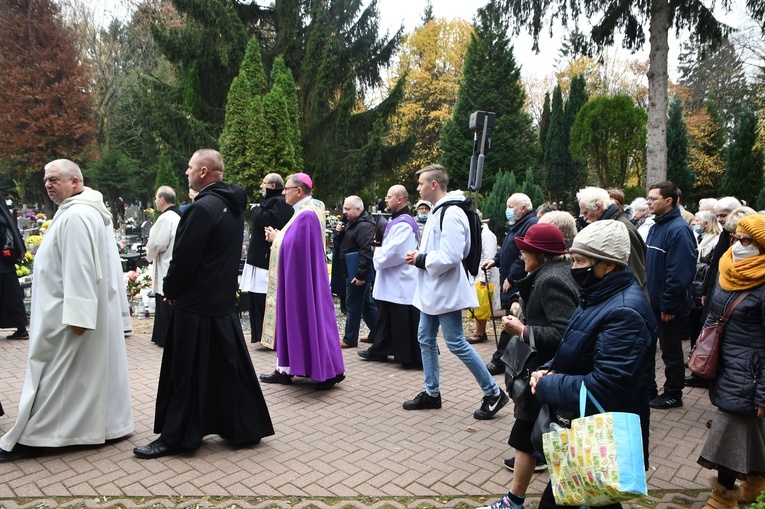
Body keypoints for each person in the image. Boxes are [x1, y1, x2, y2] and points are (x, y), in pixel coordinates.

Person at [481, 220, 657, 509]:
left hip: (600, 435)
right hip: (585, 432)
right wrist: (550, 367)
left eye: (580, 260)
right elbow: (573, 345)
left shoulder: (624, 311)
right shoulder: (598, 297)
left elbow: (607, 386)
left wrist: (548, 383)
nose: (573, 267)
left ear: (608, 265)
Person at [134, 149, 274, 459]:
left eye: (189, 167)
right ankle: (244, 427)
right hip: (221, 303)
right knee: (227, 368)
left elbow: (185, 259)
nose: (186, 172)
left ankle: (177, 437)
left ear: (203, 172)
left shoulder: (203, 209)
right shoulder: (232, 206)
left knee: (185, 372)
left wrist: (171, 289)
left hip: (195, 305)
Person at [0, 159, 133, 460]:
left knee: (59, 376)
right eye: (46, 179)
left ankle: (43, 436)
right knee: (85, 375)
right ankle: (100, 426)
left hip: (69, 315)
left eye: (55, 179)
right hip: (71, 310)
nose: (48, 184)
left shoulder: (77, 216)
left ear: (74, 182)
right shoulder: (85, 211)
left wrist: (79, 316)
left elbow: (80, 269)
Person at [403, 164, 509, 420]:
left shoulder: (450, 213)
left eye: (420, 184)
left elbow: (451, 255)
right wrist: (422, 258)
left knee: (455, 342)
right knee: (425, 337)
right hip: (435, 288)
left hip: (445, 288)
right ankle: (432, 392)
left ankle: (493, 392)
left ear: (434, 185)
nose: (417, 188)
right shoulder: (442, 211)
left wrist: (420, 258)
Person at [493, 223, 579, 499]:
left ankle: (518, 500)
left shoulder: (552, 279)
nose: (521, 257)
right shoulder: (551, 273)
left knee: (533, 435)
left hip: (543, 374)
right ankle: (514, 499)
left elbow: (565, 332)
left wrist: (522, 330)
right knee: (524, 436)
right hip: (541, 373)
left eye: (525, 252)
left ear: (540, 255)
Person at [697, 214, 765, 509]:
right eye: (736, 238)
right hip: (726, 364)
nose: (738, 245)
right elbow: (715, 312)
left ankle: (722, 498)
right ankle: (756, 479)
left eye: (747, 241)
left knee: (729, 428)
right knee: (753, 431)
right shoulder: (729, 267)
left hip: (751, 372)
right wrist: (702, 346)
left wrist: (763, 389)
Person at [259, 173, 345, 389]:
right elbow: (296, 243)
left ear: (299, 190)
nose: (283, 192)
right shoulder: (304, 211)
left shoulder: (306, 215)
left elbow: (296, 247)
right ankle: (285, 368)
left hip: (300, 281)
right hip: (299, 278)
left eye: (286, 189)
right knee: (297, 319)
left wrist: (276, 237)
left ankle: (323, 371)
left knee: (305, 317)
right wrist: (280, 236)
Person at [645, 181, 698, 410]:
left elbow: (679, 273)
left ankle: (673, 393)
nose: (648, 203)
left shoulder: (678, 230)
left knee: (671, 351)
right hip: (653, 302)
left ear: (669, 201)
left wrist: (669, 305)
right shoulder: (657, 226)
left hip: (667, 307)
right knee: (650, 347)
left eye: (653, 199)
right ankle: (649, 389)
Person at [358, 185, 422, 368]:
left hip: (400, 279)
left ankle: (408, 356)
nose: (386, 200)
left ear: (400, 199)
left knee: (400, 318)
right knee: (385, 316)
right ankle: (380, 349)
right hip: (392, 278)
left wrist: (376, 252)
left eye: (389, 196)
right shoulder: (397, 221)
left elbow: (395, 252)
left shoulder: (404, 223)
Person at [480, 193, 538, 368]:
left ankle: (500, 361)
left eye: (511, 206)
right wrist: (496, 260)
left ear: (523, 208)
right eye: (507, 206)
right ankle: (505, 359)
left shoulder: (530, 225)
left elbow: (523, 256)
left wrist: (512, 278)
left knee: (511, 320)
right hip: (511, 279)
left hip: (518, 282)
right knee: (511, 318)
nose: (508, 210)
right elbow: (508, 247)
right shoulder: (518, 224)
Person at [239, 174, 293, 343]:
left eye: (263, 183)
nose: (261, 187)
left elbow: (269, 219)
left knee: (264, 298)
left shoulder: (278, 202)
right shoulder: (269, 202)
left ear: (271, 185)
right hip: (259, 258)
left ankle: (269, 336)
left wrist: (255, 210)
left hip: (265, 259)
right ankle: (261, 336)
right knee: (256, 297)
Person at [577, 186, 647, 293]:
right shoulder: (610, 226)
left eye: (586, 212)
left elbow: (636, 273)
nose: (584, 218)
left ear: (598, 207)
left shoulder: (623, 230)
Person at [336, 195, 377, 349]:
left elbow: (366, 251)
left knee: (353, 305)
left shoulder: (364, 226)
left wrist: (360, 275)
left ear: (358, 210)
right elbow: (342, 244)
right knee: (366, 305)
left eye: (347, 209)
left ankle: (350, 338)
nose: (344, 212)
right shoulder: (352, 223)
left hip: (357, 273)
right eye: (344, 208)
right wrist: (339, 232)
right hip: (353, 271)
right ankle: (377, 333)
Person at [145, 186, 181, 347]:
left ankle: (164, 337)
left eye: (155, 198)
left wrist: (149, 254)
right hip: (171, 262)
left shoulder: (166, 218)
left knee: (164, 302)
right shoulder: (177, 216)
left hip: (166, 264)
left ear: (162, 200)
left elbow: (156, 243)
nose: (154, 201)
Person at [468, 211, 500, 344]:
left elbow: (489, 257)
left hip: (485, 275)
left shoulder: (487, 235)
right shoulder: (476, 234)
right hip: (477, 274)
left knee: (482, 303)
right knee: (479, 304)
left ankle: (480, 333)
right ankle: (479, 331)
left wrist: (483, 278)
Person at [0, 192, 28, 340]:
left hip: (3, 264)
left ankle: (22, 329)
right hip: (6, 264)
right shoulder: (4, 217)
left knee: (10, 298)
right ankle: (21, 328)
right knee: (12, 298)